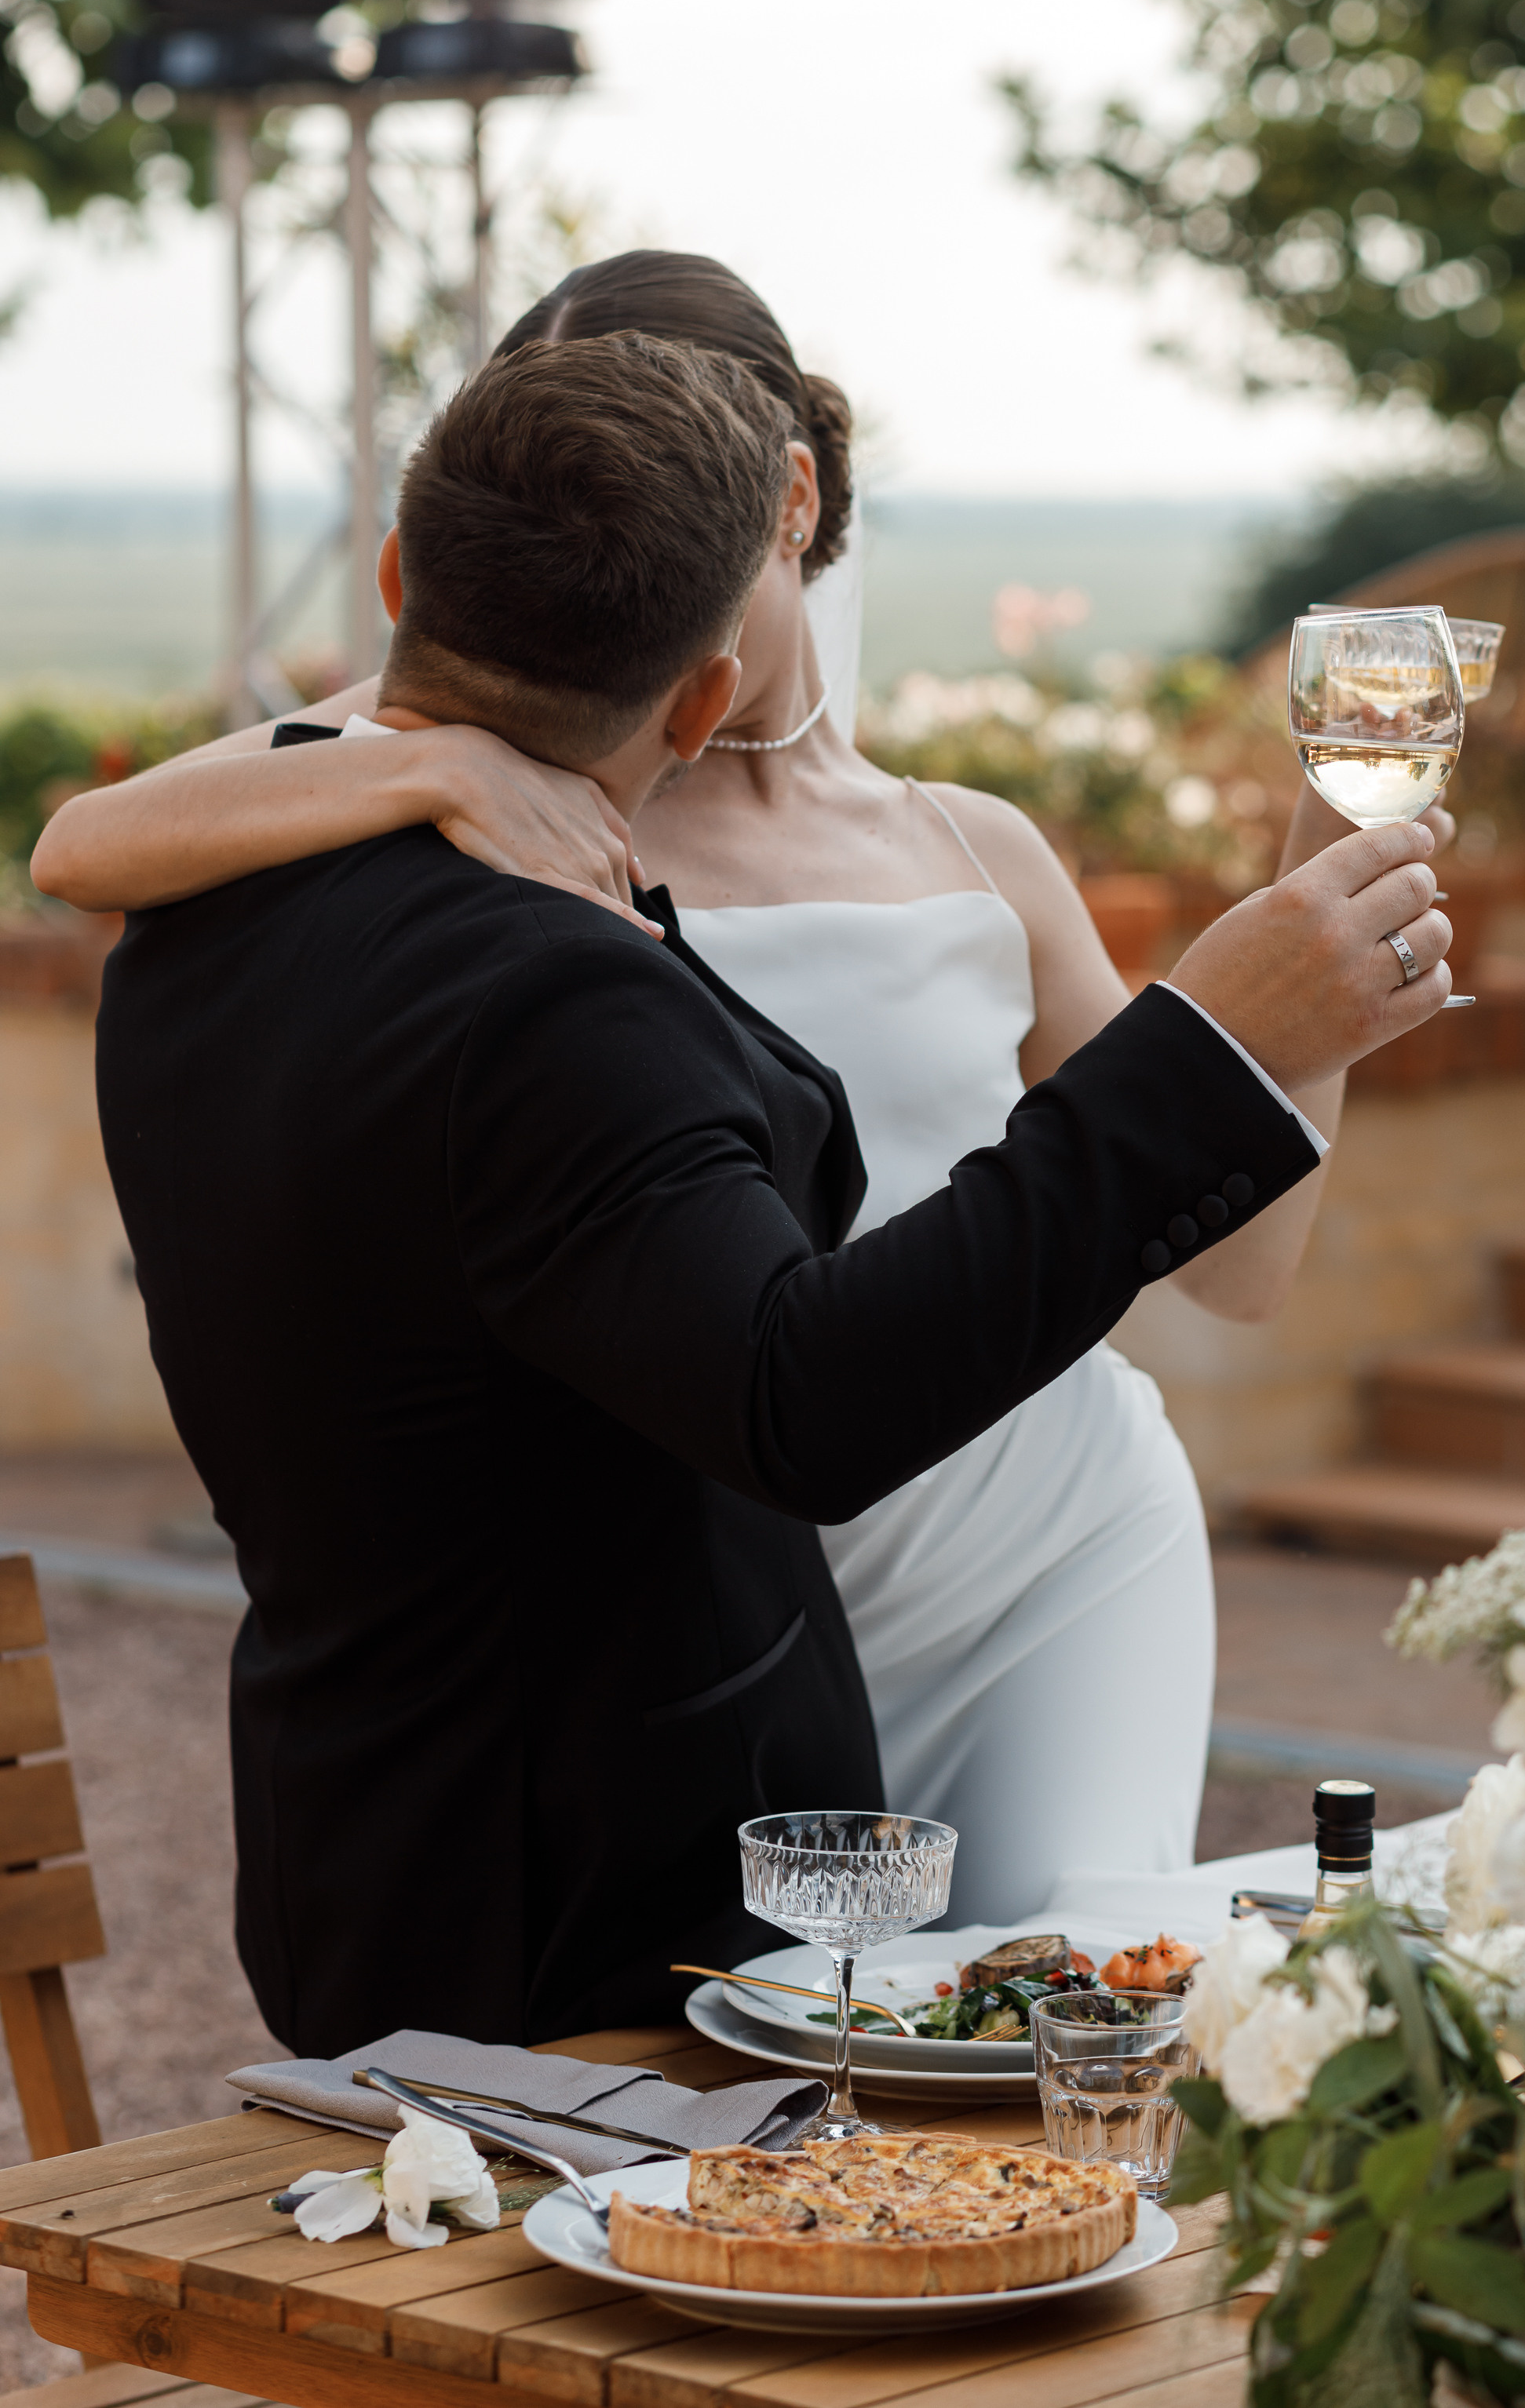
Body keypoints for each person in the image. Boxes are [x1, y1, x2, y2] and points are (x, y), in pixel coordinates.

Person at [37, 256, 1414, 1922]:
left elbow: (1241, 1269)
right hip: (724, 1581)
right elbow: (85, 845)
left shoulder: (974, 848)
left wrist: (1313, 960)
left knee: (1071, 1988)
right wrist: (429, 761)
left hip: (1044, 1551)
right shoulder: (518, 774)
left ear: (790, 503)